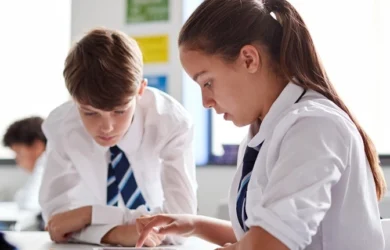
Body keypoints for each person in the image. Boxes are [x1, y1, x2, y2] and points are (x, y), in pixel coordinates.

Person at [135, 0, 387, 249]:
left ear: (248, 59)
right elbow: (259, 234)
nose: (205, 102)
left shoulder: (314, 126)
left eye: (207, 82)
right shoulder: (263, 132)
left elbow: (270, 244)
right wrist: (191, 224)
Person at [39, 28, 197, 247]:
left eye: (120, 111)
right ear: (73, 99)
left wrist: (90, 216)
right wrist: (115, 233)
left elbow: (181, 226)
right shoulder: (61, 126)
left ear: (141, 89)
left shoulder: (171, 122)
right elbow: (57, 224)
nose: (107, 127)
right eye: (90, 112)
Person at [2, 116, 46, 212]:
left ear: (37, 146)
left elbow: (30, 204)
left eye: (18, 152)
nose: (17, 159)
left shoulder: (46, 163)